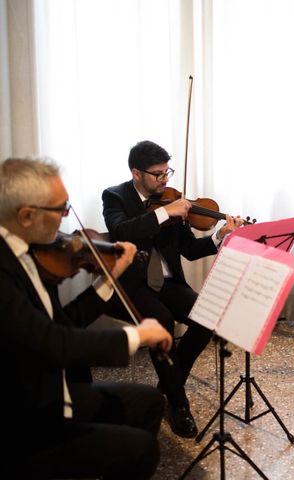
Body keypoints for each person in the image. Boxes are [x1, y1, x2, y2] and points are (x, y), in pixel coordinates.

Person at [0, 157, 173, 479]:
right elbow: (55, 343)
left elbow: (64, 322)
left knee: (148, 401)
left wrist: (110, 278)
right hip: (25, 418)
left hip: (50, 390)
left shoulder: (27, 252)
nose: (67, 219)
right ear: (26, 215)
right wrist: (137, 335)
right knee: (140, 450)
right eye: (61, 209)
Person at [102, 140, 242, 438]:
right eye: (158, 174)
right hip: (133, 283)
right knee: (162, 322)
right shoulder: (115, 196)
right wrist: (165, 214)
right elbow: (121, 231)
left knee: (206, 318)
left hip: (168, 282)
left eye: (168, 172)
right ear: (136, 173)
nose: (165, 180)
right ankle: (178, 405)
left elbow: (190, 250)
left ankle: (167, 384)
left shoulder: (172, 199)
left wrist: (220, 237)